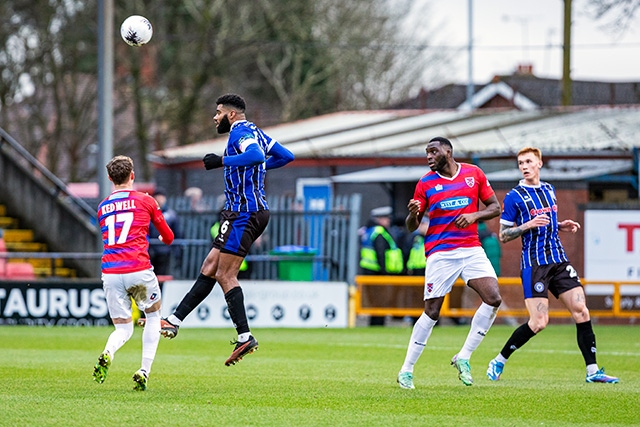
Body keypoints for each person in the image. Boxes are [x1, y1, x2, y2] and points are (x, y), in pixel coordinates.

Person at [159, 93, 294, 366]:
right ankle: (173, 320)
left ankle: (245, 336)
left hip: (245, 213)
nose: (215, 116)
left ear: (231, 114)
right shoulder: (256, 130)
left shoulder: (239, 133)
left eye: (218, 112)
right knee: (210, 266)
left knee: (225, 274)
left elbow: (255, 155)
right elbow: (286, 156)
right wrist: (261, 167)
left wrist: (222, 161)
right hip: (240, 212)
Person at [486, 147, 619, 384]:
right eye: (520, 163)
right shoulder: (515, 196)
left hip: (558, 260)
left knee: (581, 311)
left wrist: (560, 226)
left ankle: (592, 371)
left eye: (528, 161)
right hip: (534, 265)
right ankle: (499, 360)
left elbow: (546, 222)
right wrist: (528, 224)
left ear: (539, 163)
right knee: (539, 323)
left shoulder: (549, 189)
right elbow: (504, 235)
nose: (524, 166)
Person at [396, 136, 502, 389]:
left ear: (448, 151)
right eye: (427, 153)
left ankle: (463, 356)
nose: (429, 156)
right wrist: (413, 213)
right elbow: (412, 226)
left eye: (433, 151)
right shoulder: (425, 183)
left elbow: (495, 207)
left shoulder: (473, 174)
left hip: (471, 248)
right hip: (441, 252)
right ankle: (406, 370)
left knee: (493, 298)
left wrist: (474, 214)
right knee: (432, 312)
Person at [92, 155, 175, 391]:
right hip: (138, 269)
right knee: (153, 317)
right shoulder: (145, 201)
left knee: (123, 328)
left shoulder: (102, 206)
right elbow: (168, 237)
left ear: (110, 178)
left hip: (111, 271)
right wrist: (159, 237)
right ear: (132, 176)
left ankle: (108, 352)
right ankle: (144, 371)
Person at [359, 206, 405, 326]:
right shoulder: (379, 232)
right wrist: (384, 271)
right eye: (385, 218)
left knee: (374, 301)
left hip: (369, 270)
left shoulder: (369, 231)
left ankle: (375, 323)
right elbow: (381, 253)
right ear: (379, 219)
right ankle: (377, 323)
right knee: (380, 300)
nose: (388, 221)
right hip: (377, 272)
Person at [149, 187, 181, 276]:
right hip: (150, 249)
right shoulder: (148, 214)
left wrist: (177, 250)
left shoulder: (171, 215)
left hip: (165, 250)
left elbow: (176, 232)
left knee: (162, 275)